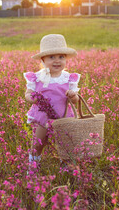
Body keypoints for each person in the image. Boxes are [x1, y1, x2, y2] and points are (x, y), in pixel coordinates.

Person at [24, 34, 80, 164]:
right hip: (43, 117)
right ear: (42, 60)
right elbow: (28, 94)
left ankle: (67, 166)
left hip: (64, 117)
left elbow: (75, 100)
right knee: (38, 144)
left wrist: (72, 95)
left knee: (66, 145)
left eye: (61, 57)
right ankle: (33, 166)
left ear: (66, 59)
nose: (57, 61)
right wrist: (31, 98)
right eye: (51, 57)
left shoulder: (68, 78)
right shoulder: (37, 78)